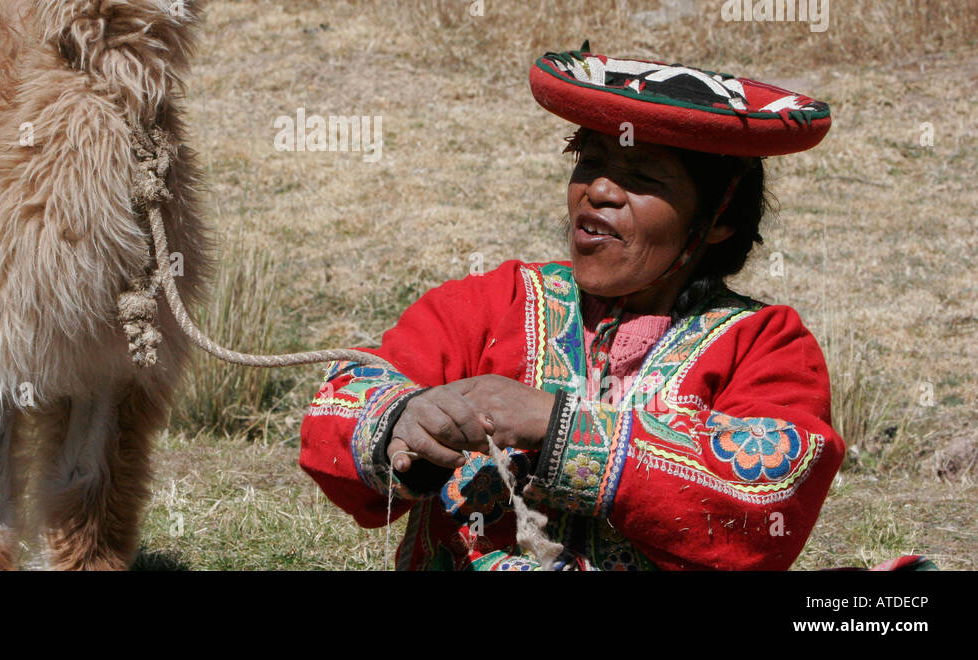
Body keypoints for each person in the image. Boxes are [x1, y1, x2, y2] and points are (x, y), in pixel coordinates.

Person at [300, 47, 863, 570]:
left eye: (640, 178)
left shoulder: (763, 344)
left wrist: (556, 425)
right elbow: (344, 398)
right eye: (589, 162)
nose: (599, 191)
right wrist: (404, 420)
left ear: (720, 219)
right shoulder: (495, 303)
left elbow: (768, 499)